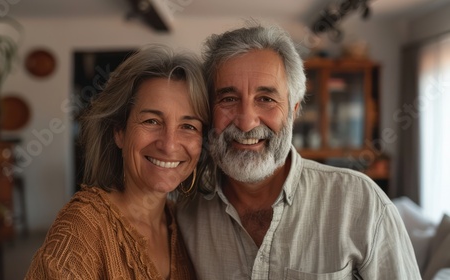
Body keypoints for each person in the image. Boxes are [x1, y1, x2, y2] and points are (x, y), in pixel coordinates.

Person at [176, 23, 421, 279]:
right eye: (228, 99)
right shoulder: (184, 210)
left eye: (266, 99)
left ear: (294, 110)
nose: (246, 122)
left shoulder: (361, 203)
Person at [25, 45, 210, 279]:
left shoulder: (184, 226)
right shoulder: (83, 228)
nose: (169, 144)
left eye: (188, 126)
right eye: (152, 121)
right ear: (119, 131)